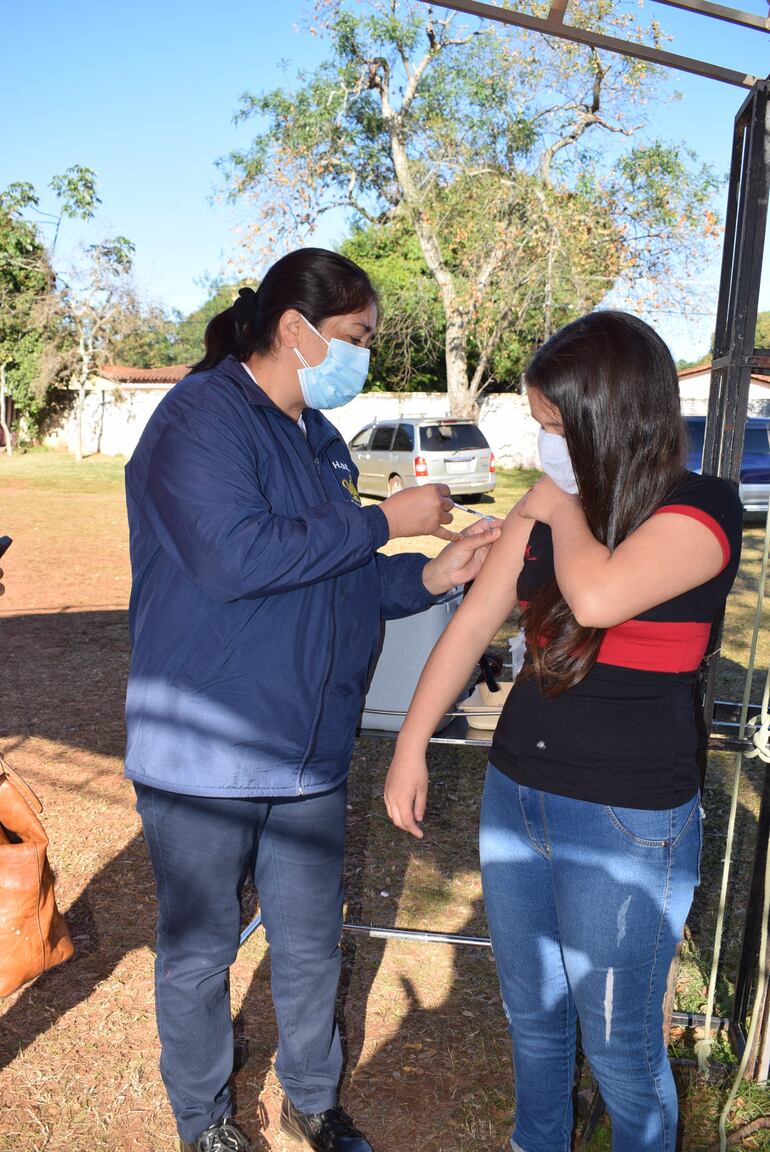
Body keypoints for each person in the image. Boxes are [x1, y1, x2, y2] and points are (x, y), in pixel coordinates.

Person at [124, 247, 500, 1152]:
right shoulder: (199, 420)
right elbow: (237, 558)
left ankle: (313, 1098)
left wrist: (429, 573)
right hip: (206, 747)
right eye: (356, 338)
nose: (364, 356)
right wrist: (383, 520)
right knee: (201, 953)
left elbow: (338, 574)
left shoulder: (320, 441)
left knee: (306, 945)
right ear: (297, 331)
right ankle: (205, 1122)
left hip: (308, 748)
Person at [384, 311, 743, 1151]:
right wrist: (410, 747)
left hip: (626, 821)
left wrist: (556, 508)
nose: (543, 444)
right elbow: (471, 627)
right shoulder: (555, 512)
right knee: (534, 1018)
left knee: (620, 1046)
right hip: (518, 799)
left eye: (555, 426)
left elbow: (600, 598)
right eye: (539, 425)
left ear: (610, 418)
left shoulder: (703, 511)